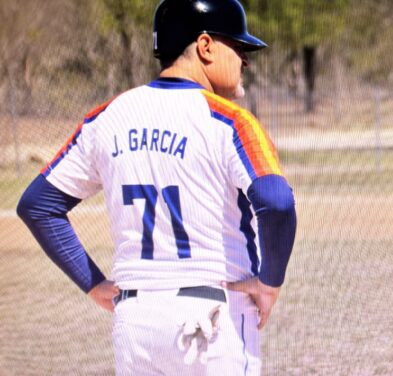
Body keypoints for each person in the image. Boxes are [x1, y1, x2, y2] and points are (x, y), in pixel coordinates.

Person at [16, 0, 297, 374]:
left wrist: (94, 284)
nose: (244, 61)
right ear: (206, 46)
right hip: (214, 314)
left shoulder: (108, 117)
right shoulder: (229, 121)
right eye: (239, 48)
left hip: (136, 319)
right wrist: (270, 282)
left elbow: (38, 205)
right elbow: (276, 202)